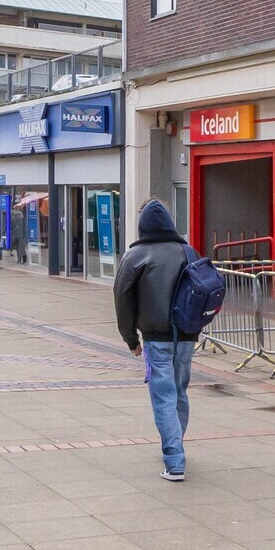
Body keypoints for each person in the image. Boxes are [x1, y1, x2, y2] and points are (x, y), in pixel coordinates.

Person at [114, 200, 195, 483]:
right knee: (179, 392)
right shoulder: (188, 251)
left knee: (163, 396)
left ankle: (174, 461)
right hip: (186, 337)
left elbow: (122, 297)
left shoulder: (136, 255)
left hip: (155, 338)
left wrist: (130, 338)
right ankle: (176, 444)